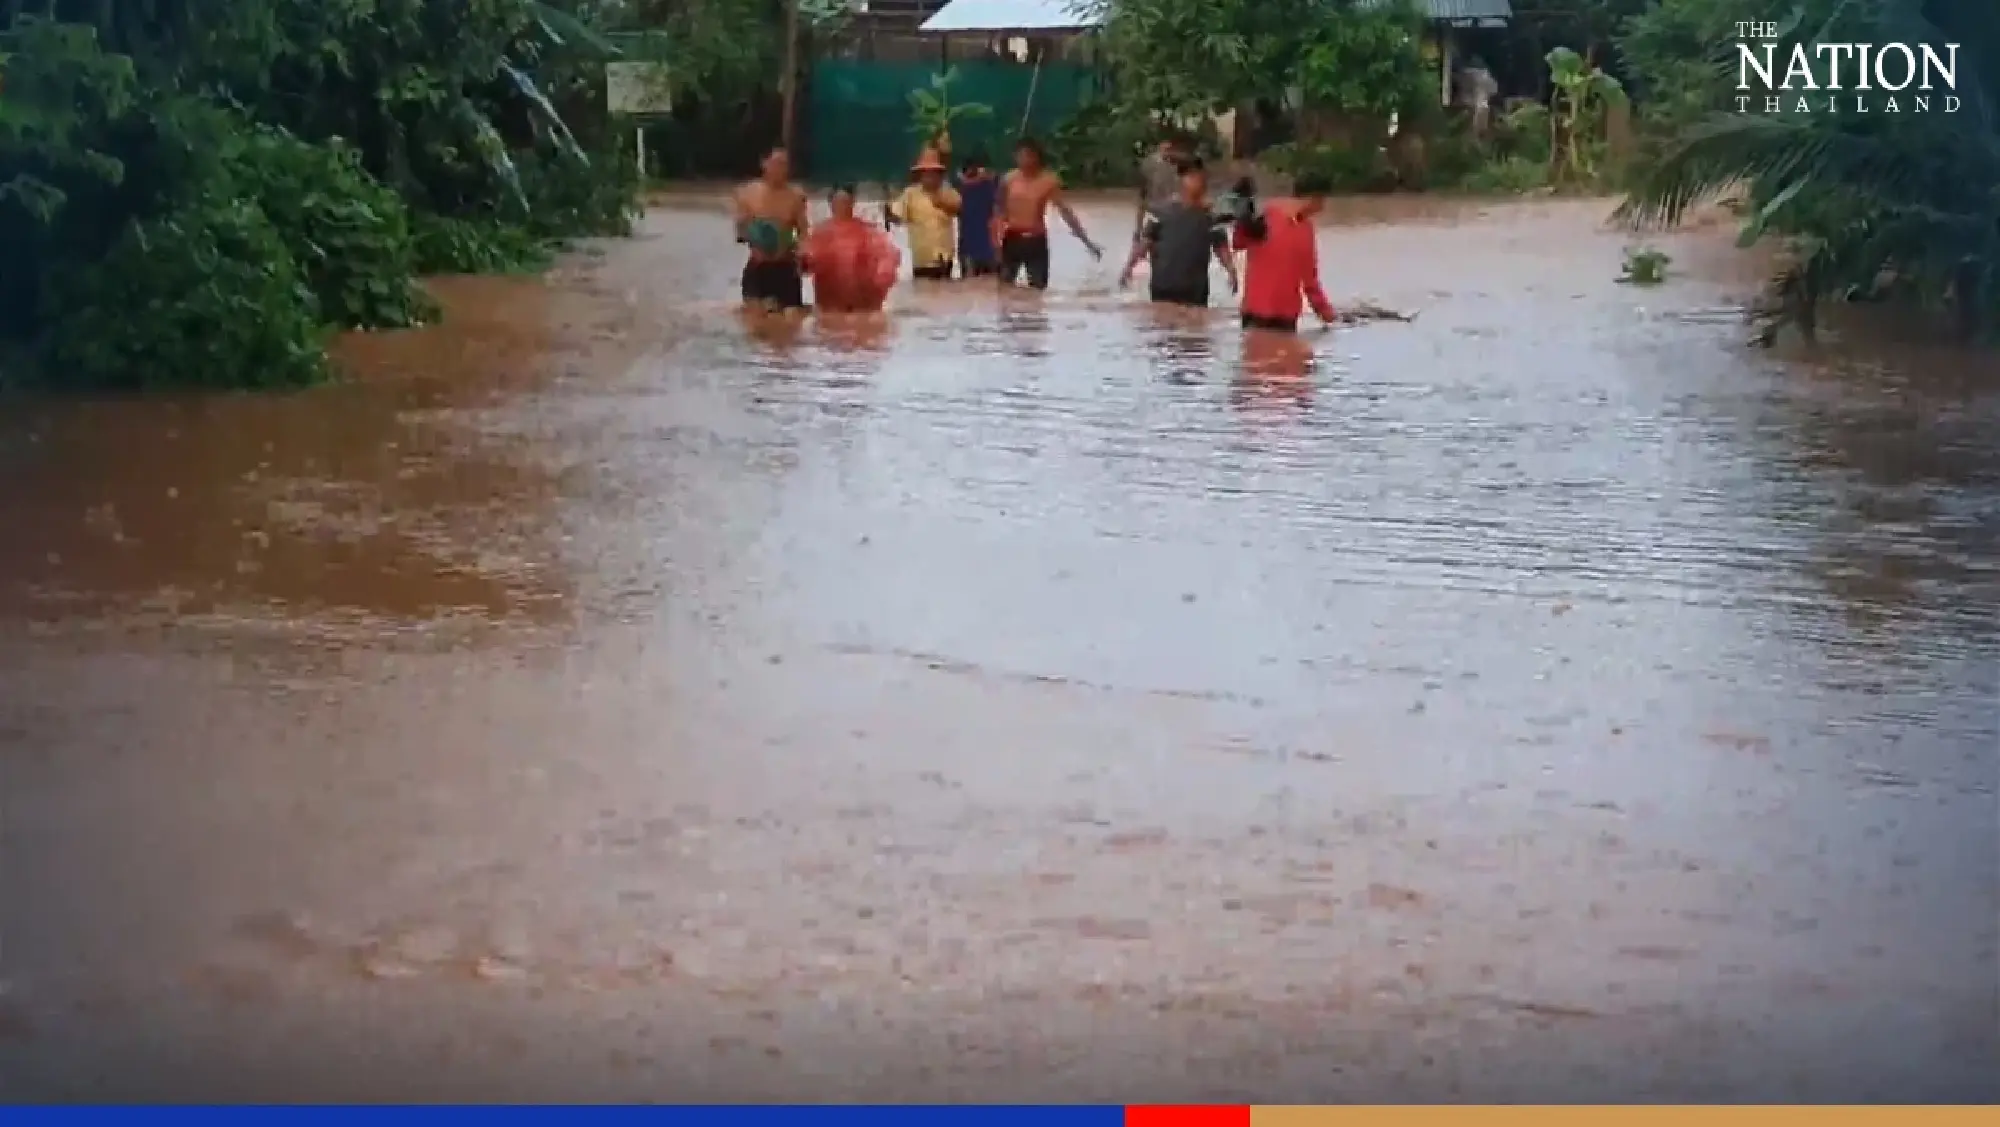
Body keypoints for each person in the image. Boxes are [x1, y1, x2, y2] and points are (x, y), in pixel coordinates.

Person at [1118, 157, 1237, 308]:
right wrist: (1129, 267)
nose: (1198, 182)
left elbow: (1221, 248)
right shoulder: (1161, 212)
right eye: (1192, 177)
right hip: (1163, 287)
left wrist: (1231, 272)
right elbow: (1146, 243)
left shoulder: (1212, 217)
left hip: (1195, 290)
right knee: (1163, 324)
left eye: (1201, 178)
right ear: (1182, 180)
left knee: (1194, 328)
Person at [992, 136, 1102, 290]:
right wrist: (996, 243)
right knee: (1003, 290)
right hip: (1011, 239)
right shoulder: (1008, 179)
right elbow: (998, 211)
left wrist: (1086, 241)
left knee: (1038, 290)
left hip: (1036, 240)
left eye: (1027, 155)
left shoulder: (1049, 181)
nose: (1023, 159)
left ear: (1036, 157)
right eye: (1019, 155)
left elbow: (1065, 211)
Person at [1233, 171, 1337, 332]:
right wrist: (1326, 313)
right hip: (1261, 314)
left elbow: (1310, 280)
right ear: (1315, 198)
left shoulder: (1304, 228)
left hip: (1280, 315)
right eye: (1323, 199)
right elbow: (1238, 242)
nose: (1323, 206)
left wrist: (1325, 311)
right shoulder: (1266, 217)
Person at [732, 147, 810, 311]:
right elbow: (741, 228)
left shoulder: (796, 196)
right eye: (777, 163)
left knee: (790, 323)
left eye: (785, 165)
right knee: (755, 319)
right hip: (758, 267)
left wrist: (803, 253)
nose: (781, 169)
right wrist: (756, 239)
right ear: (764, 164)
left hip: (786, 266)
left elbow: (803, 232)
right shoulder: (747, 193)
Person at [804, 184, 901, 313]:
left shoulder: (868, 230)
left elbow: (888, 254)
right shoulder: (820, 232)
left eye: (846, 202)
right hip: (830, 301)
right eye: (838, 202)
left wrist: (884, 275)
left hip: (864, 300)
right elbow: (808, 260)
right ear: (831, 205)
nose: (842, 206)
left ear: (852, 203)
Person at [887, 148, 961, 280]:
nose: (930, 178)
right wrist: (888, 212)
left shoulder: (948, 192)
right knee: (923, 293)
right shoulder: (910, 194)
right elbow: (897, 216)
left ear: (939, 175)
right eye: (926, 174)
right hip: (922, 260)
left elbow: (958, 208)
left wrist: (941, 202)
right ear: (920, 176)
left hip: (944, 258)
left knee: (945, 294)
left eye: (933, 174)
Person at [1133, 131, 1190, 244]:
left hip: (1170, 200)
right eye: (1165, 147)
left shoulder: (1177, 162)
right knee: (1142, 206)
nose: (1167, 151)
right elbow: (1144, 181)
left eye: (1170, 148)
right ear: (1160, 146)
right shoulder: (1150, 163)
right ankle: (1138, 233)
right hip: (1154, 199)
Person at [954, 152, 1000, 278]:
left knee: (988, 286)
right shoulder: (960, 189)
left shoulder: (990, 186)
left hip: (988, 246)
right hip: (970, 247)